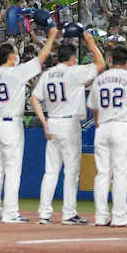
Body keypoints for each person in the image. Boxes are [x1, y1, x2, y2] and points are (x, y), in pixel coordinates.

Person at [29, 31, 106, 225]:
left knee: (50, 171)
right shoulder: (74, 71)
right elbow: (101, 64)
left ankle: (44, 213)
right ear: (72, 58)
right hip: (69, 124)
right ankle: (69, 213)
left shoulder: (47, 74)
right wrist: (90, 42)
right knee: (71, 171)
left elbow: (34, 97)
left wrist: (44, 122)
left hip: (52, 122)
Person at [0, 29, 59, 223]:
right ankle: (10, 213)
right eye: (16, 53)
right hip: (10, 125)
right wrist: (51, 37)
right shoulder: (16, 73)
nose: (18, 57)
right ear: (11, 57)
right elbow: (41, 59)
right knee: (12, 170)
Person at [87, 45, 127, 227]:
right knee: (120, 173)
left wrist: (99, 124)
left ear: (110, 60)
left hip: (103, 127)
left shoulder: (100, 79)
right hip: (122, 126)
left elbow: (94, 107)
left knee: (102, 173)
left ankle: (100, 216)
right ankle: (119, 216)